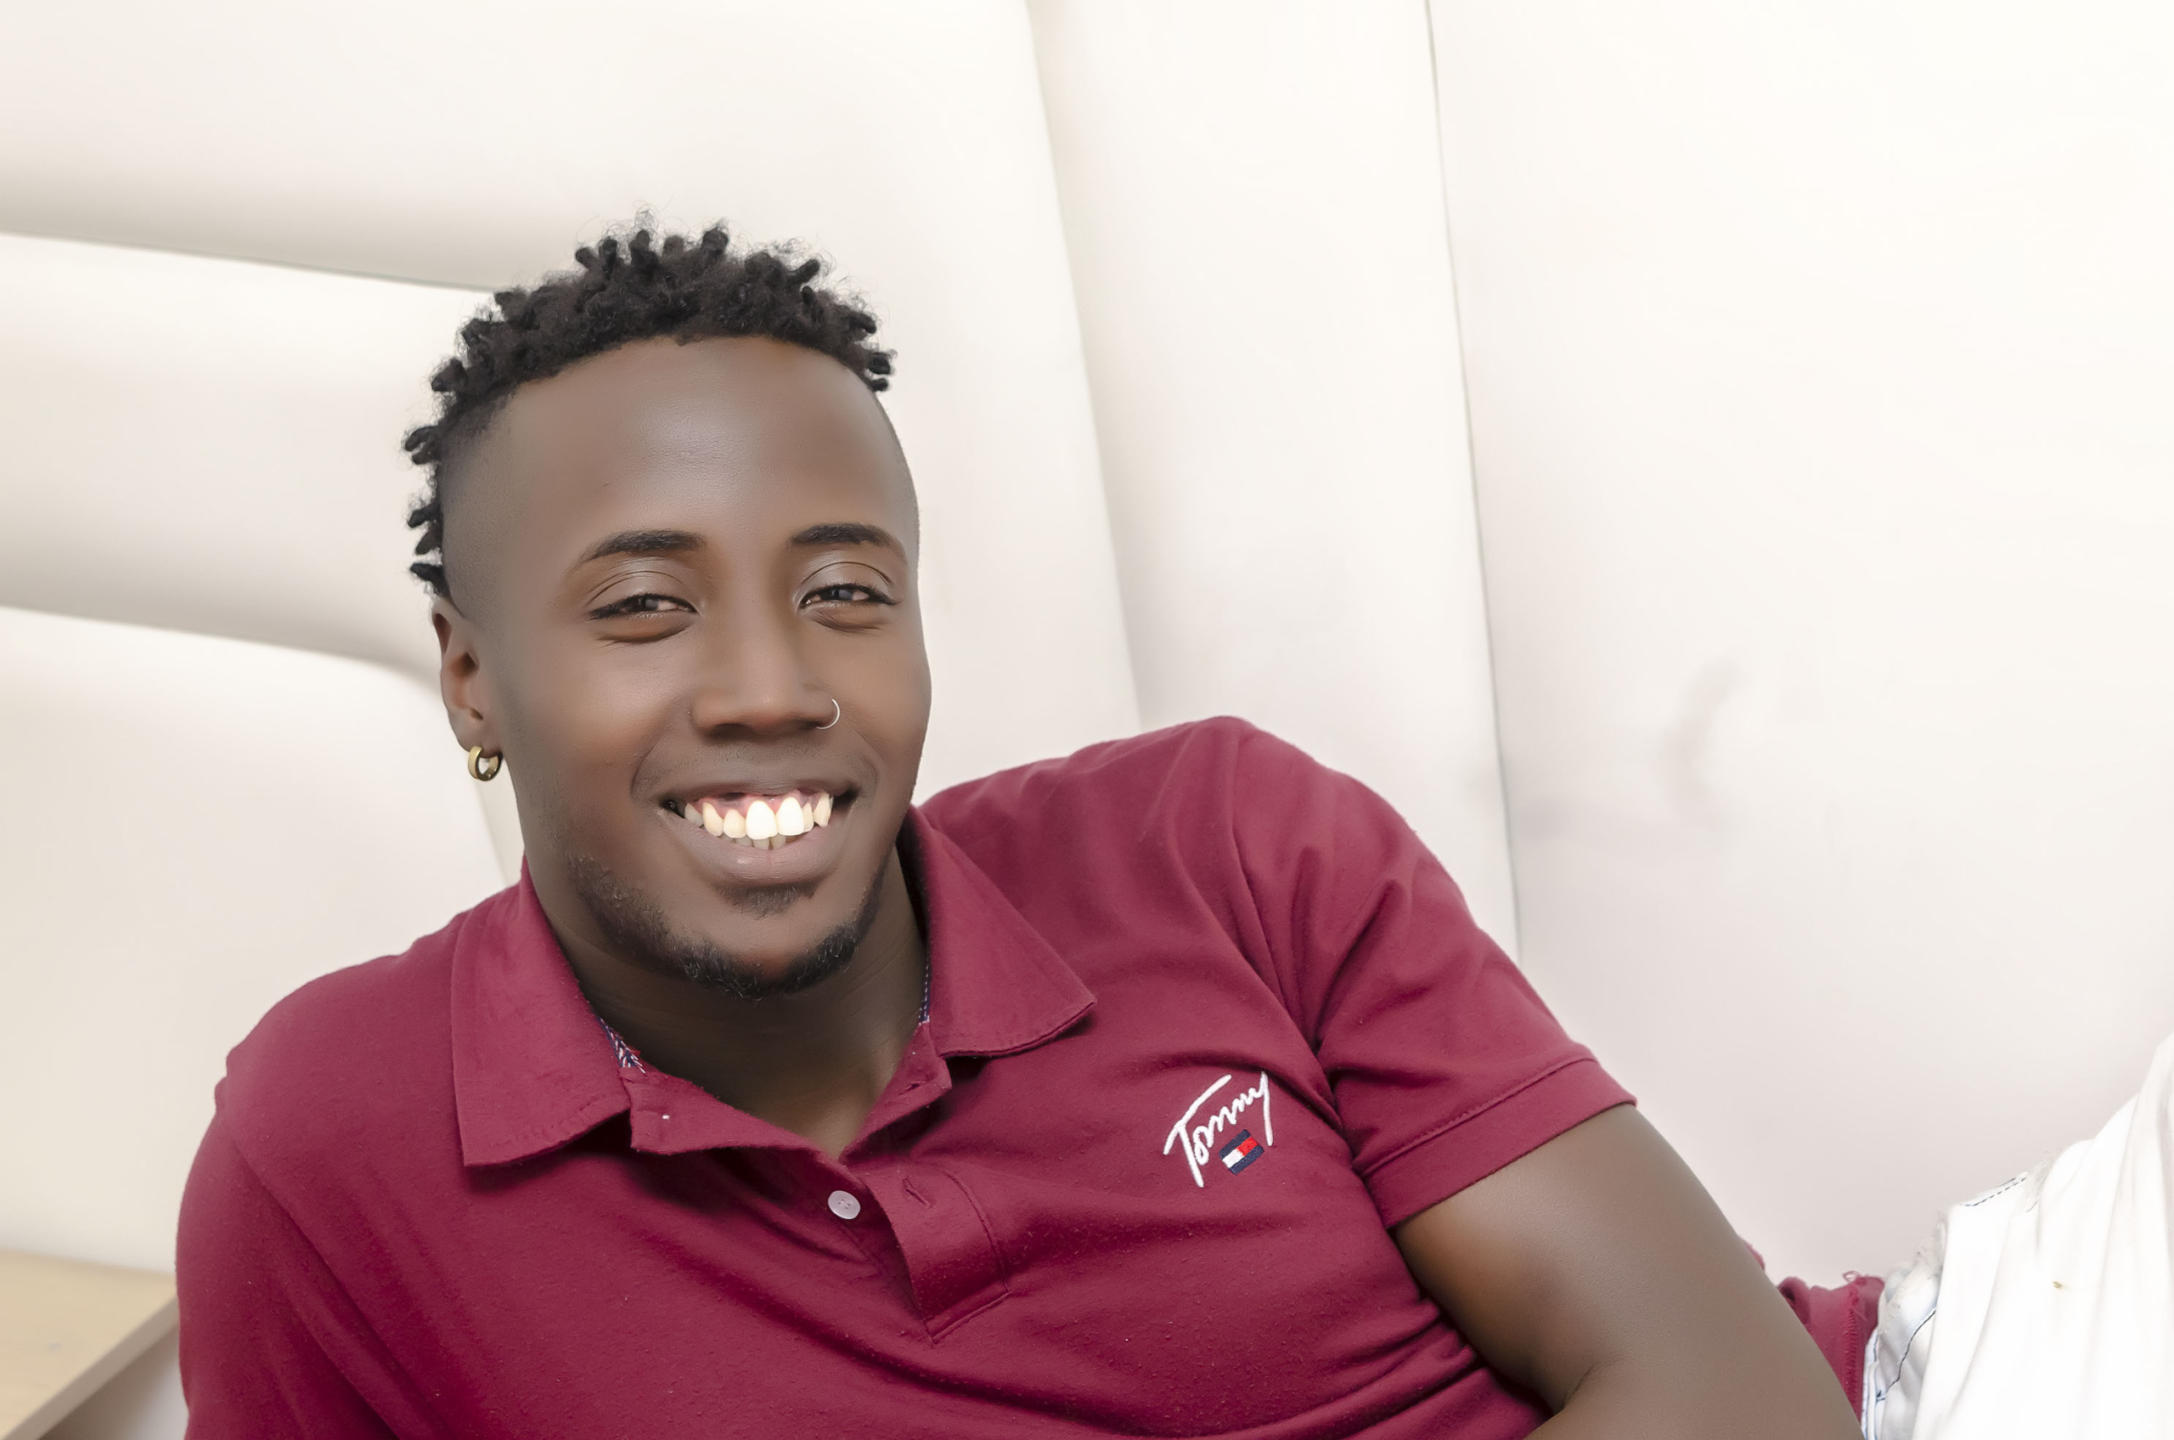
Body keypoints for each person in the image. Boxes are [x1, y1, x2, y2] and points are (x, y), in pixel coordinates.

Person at [175, 223, 1870, 1437]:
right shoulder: (336, 1151)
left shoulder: (1218, 841)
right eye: (642, 608)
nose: (771, 688)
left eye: (846, 591)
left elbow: (1738, 1395)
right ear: (471, 676)